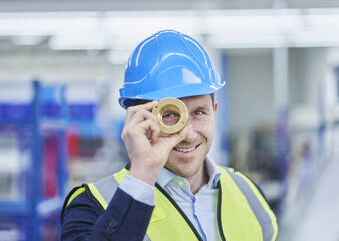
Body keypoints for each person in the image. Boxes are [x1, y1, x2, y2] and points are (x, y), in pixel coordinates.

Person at [61, 30, 278, 241]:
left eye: (199, 112)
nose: (188, 133)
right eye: (170, 115)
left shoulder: (247, 193)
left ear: (215, 112)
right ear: (138, 119)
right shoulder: (93, 206)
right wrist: (142, 173)